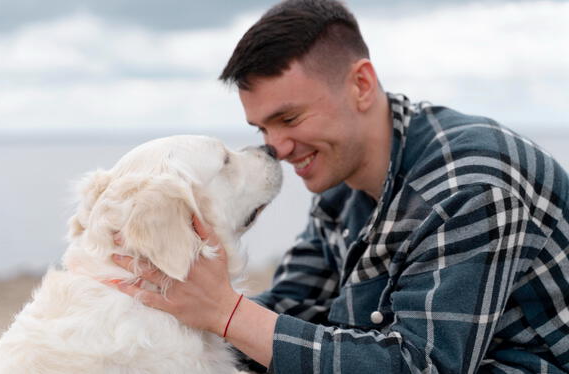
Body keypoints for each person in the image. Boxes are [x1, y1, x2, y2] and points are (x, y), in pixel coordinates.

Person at [109, 0, 569, 372]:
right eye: (262, 129)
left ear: (362, 85)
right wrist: (160, 312)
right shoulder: (341, 179)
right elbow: (294, 308)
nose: (278, 148)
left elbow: (421, 365)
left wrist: (226, 313)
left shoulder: (469, 186)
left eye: (288, 119)